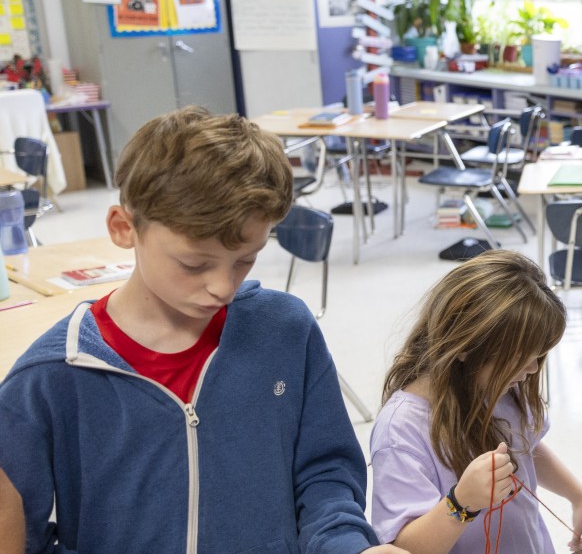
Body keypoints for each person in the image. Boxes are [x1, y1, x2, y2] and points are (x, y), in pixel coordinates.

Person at [0, 107, 400, 553]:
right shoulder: (49, 376)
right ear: (123, 228)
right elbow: (19, 532)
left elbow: (326, 473)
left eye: (245, 260)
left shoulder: (286, 331)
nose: (223, 287)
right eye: (194, 264)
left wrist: (346, 545)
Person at [370, 250, 582, 553]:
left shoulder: (502, 387)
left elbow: (527, 448)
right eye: (522, 356)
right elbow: (403, 547)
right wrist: (461, 503)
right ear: (464, 345)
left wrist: (577, 495)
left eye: (539, 356)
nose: (532, 368)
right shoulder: (400, 431)